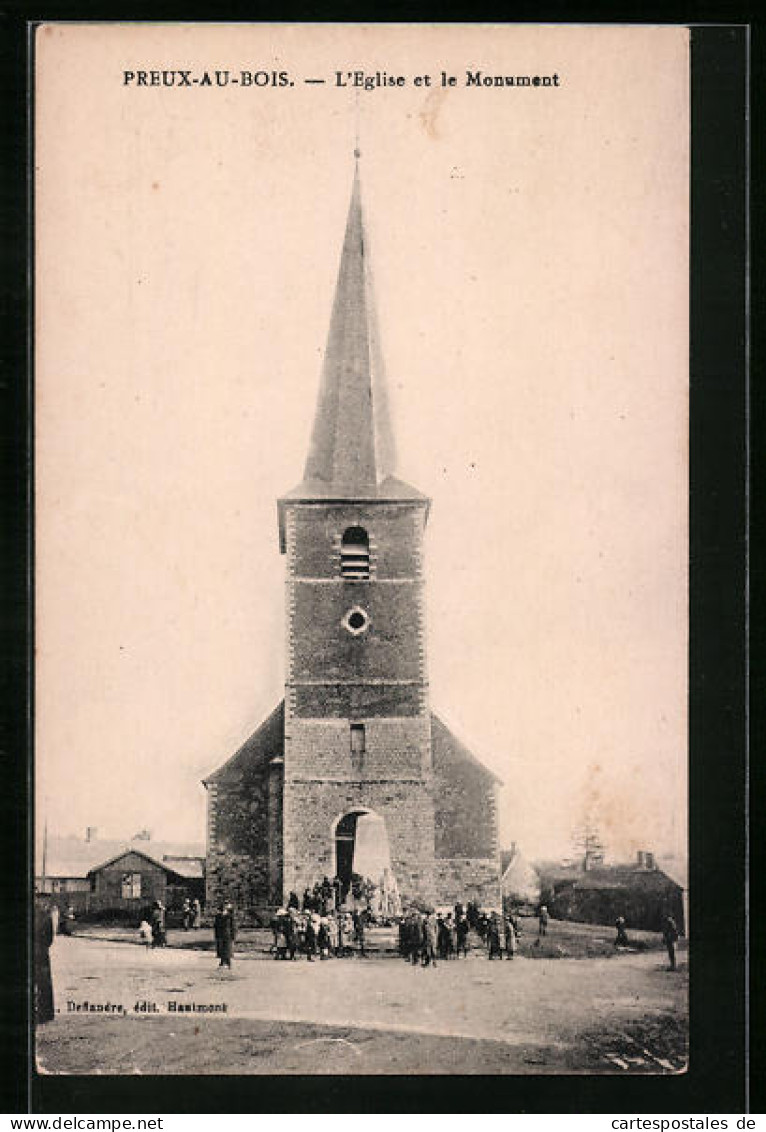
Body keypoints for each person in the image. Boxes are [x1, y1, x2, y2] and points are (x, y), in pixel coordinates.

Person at [34, 896, 55, 1025]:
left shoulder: (44, 915)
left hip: (38, 952)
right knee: (44, 983)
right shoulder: (45, 915)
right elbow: (49, 938)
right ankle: (46, 1013)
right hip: (41, 952)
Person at [213, 902, 236, 969]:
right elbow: (216, 926)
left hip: (228, 934)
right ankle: (222, 962)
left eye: (225, 908)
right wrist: (216, 935)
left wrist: (233, 935)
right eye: (223, 908)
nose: (223, 909)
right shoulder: (218, 916)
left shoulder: (230, 916)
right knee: (221, 948)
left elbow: (233, 926)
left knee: (227, 948)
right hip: (220, 934)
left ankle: (228, 963)